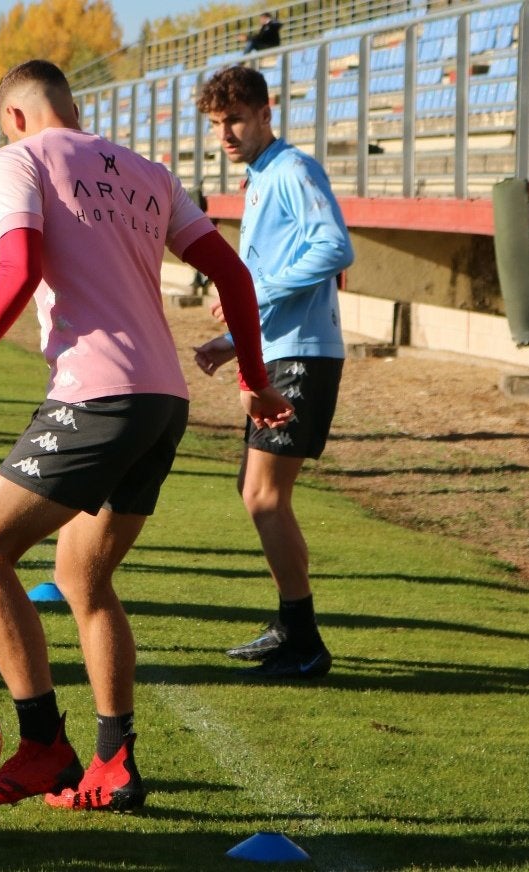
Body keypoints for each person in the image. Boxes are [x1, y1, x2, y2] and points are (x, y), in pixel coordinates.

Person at [0, 59, 291, 810]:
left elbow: (16, 269)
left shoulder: (18, 158)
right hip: (162, 401)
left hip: (96, 397)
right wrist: (252, 382)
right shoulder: (147, 170)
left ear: (13, 116)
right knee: (81, 578)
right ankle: (113, 763)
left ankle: (43, 746)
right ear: (71, 107)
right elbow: (233, 275)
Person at [193, 65, 354, 679]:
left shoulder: (292, 170)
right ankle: (292, 625)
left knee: (265, 496)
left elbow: (334, 246)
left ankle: (305, 639)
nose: (226, 133)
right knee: (255, 492)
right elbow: (276, 279)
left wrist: (252, 293)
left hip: (305, 356)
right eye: (216, 123)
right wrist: (235, 340)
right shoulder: (260, 178)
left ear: (266, 112)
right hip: (281, 350)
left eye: (235, 118)